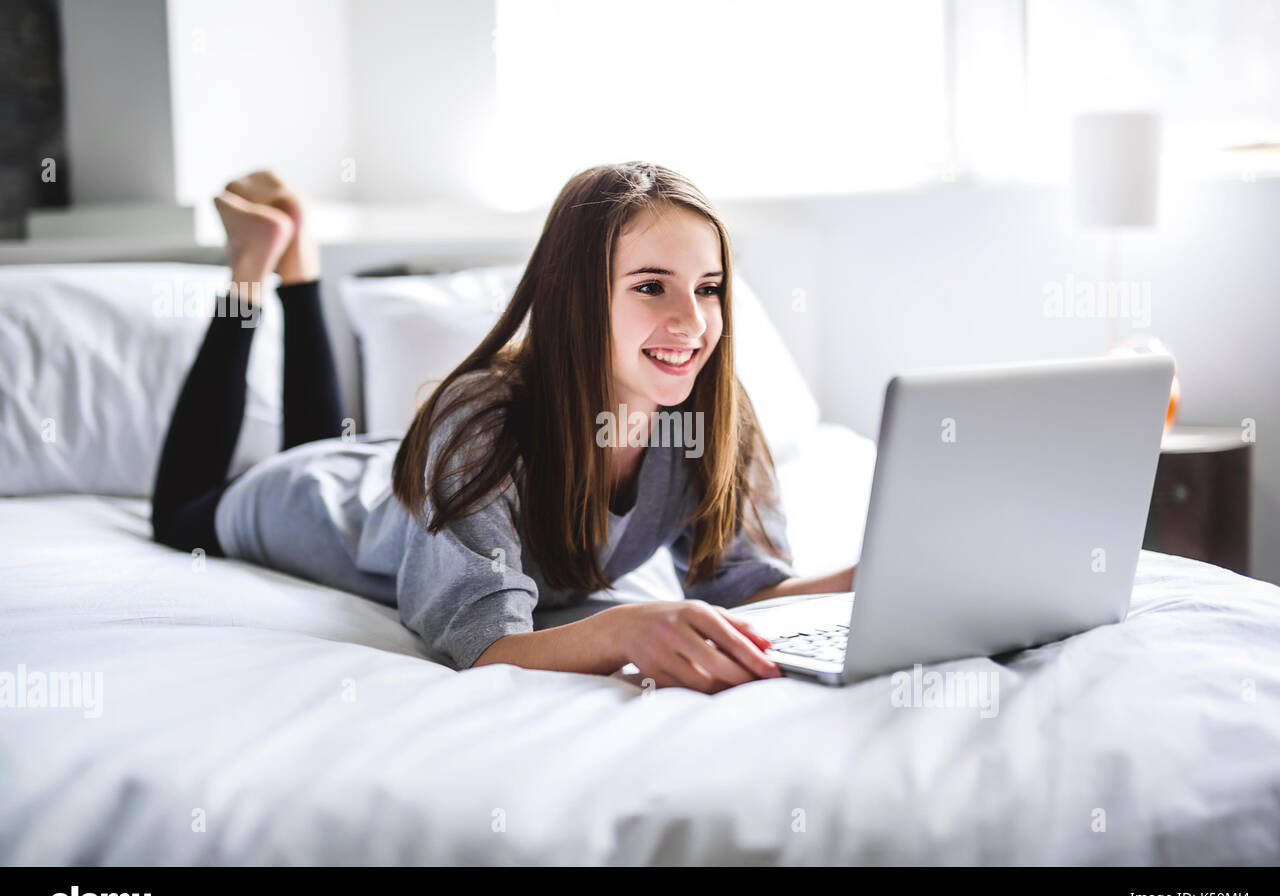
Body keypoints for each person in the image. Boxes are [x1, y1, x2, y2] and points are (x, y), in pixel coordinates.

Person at [152, 163, 855, 693]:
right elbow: (484, 646)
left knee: (322, 438)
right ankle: (252, 266)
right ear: (575, 300)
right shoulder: (484, 424)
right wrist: (623, 629)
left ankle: (296, 259)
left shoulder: (709, 416)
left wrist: (863, 579)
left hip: (401, 478)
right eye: (651, 285)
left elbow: (738, 588)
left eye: (708, 288)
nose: (693, 321)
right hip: (314, 503)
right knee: (180, 511)